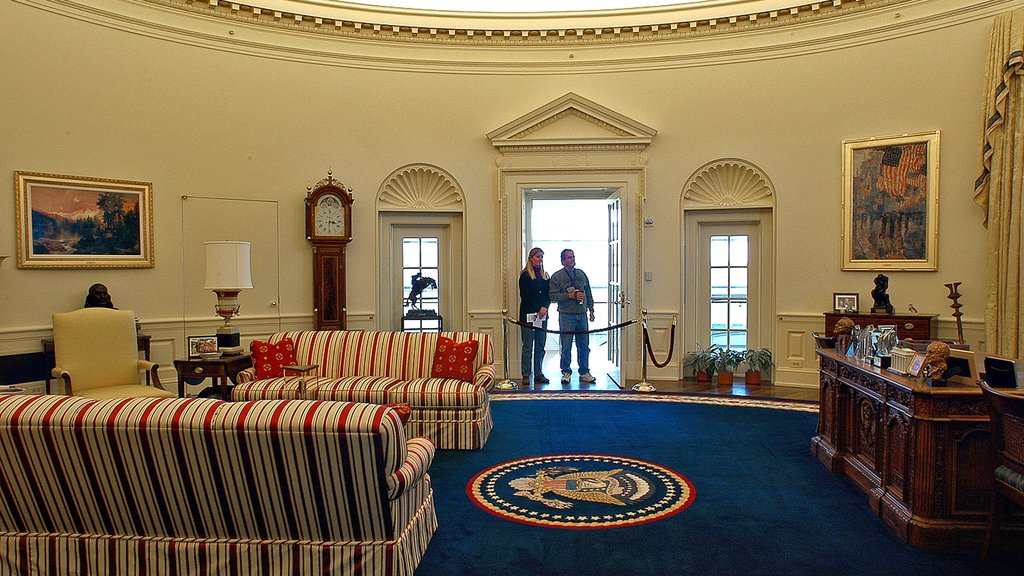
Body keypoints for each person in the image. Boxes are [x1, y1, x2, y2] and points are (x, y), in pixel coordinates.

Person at [549, 248, 596, 384]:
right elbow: (552, 296)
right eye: (569, 257)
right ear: (563, 261)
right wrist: (569, 295)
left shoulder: (581, 274)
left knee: (584, 346)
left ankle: (584, 372)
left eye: (573, 257)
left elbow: (588, 292)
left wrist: (591, 309)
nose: (572, 259)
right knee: (566, 346)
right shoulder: (557, 277)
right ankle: (566, 372)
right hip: (566, 316)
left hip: (582, 314)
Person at [518, 247, 551, 385]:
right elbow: (525, 296)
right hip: (528, 315)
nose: (540, 259)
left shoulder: (545, 275)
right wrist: (539, 309)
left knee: (540, 346)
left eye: (542, 257)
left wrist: (545, 308)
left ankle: (538, 372)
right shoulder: (525, 275)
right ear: (531, 258)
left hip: (542, 316)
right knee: (527, 346)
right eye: (538, 256)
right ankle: (526, 373)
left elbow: (548, 295)